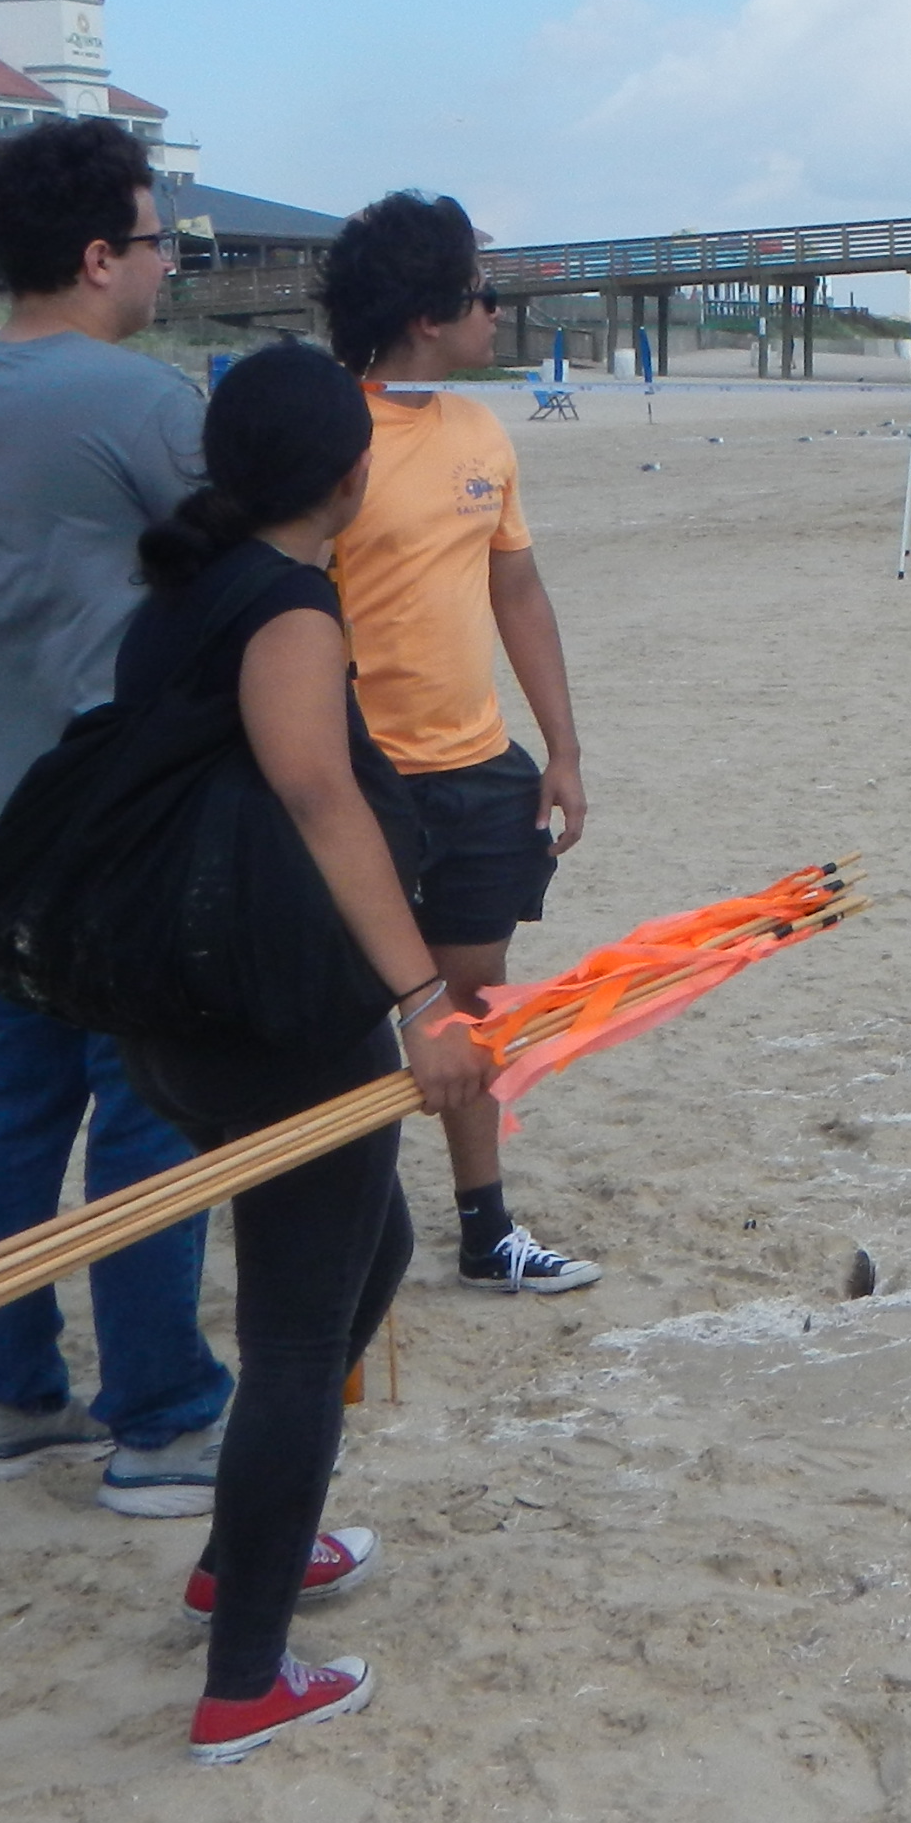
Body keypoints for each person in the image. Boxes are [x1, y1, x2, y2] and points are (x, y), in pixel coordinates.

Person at [108, 343, 491, 1759]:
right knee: (291, 1335)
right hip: (271, 1013)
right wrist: (422, 1000)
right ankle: (244, 1676)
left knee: (365, 1256)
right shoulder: (283, 608)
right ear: (350, 476)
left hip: (183, 1007)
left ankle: (238, 1558)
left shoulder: (186, 590)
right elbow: (321, 799)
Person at [0, 116, 237, 1509]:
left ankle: (7, 1394)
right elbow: (237, 549)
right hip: (120, 806)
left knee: (14, 1100)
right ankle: (159, 1419)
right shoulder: (138, 398)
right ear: (102, 255)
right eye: (157, 241)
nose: (166, 265)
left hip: (0, 798)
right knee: (148, 1103)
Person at [320, 194, 604, 1295]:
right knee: (363, 1011)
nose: (499, 312)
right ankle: (339, 1228)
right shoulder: (330, 437)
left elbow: (517, 587)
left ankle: (486, 1229)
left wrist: (562, 751)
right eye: (483, 294)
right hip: (357, 780)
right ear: (428, 313)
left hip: (479, 771)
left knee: (477, 1001)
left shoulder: (482, 431)